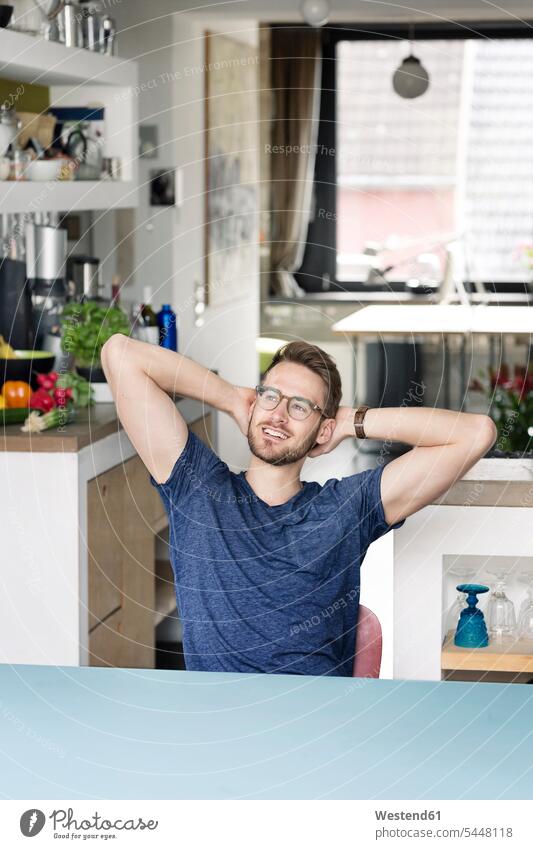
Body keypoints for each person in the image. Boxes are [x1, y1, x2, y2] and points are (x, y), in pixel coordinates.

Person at [101, 335, 497, 677]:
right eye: (271, 397)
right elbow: (120, 354)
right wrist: (231, 398)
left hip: (313, 731)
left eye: (301, 407)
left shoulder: (346, 507)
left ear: (322, 429)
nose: (278, 414)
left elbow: (476, 434)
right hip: (215, 729)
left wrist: (350, 422)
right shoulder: (197, 487)